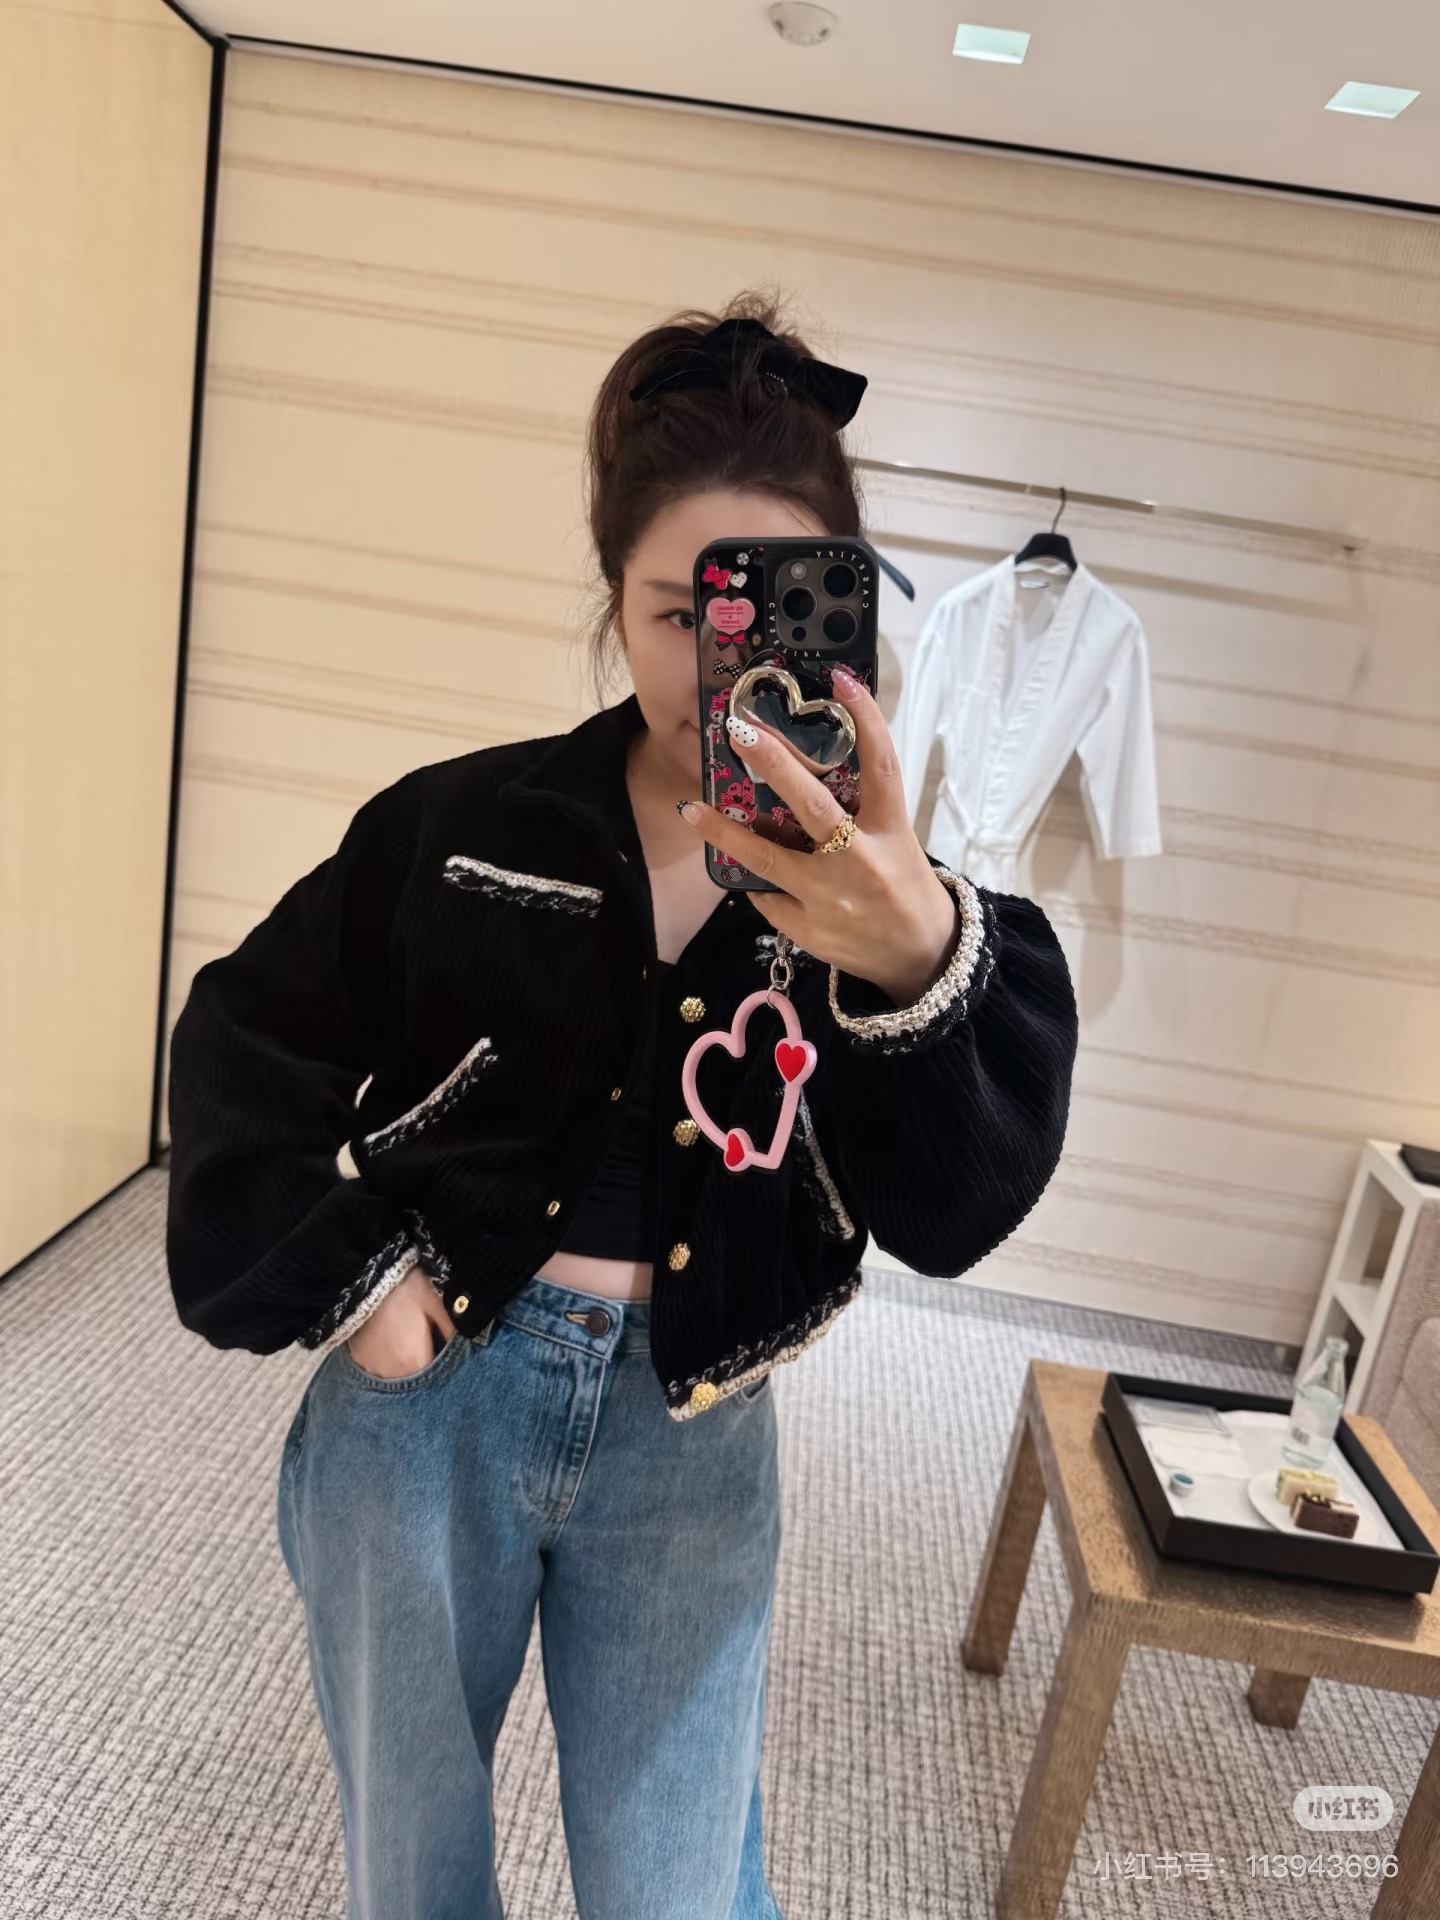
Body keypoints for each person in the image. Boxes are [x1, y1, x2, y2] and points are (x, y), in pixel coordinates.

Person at [165, 291, 1079, 1920]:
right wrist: (358, 1281)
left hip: (694, 1422)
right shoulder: (463, 824)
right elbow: (247, 1031)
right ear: (615, 603)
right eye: (677, 614)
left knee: (676, 1882)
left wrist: (914, 951)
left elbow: (955, 1212)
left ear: (843, 617)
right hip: (430, 1401)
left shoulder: (885, 905)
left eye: (773, 615)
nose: (721, 667)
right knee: (410, 1864)